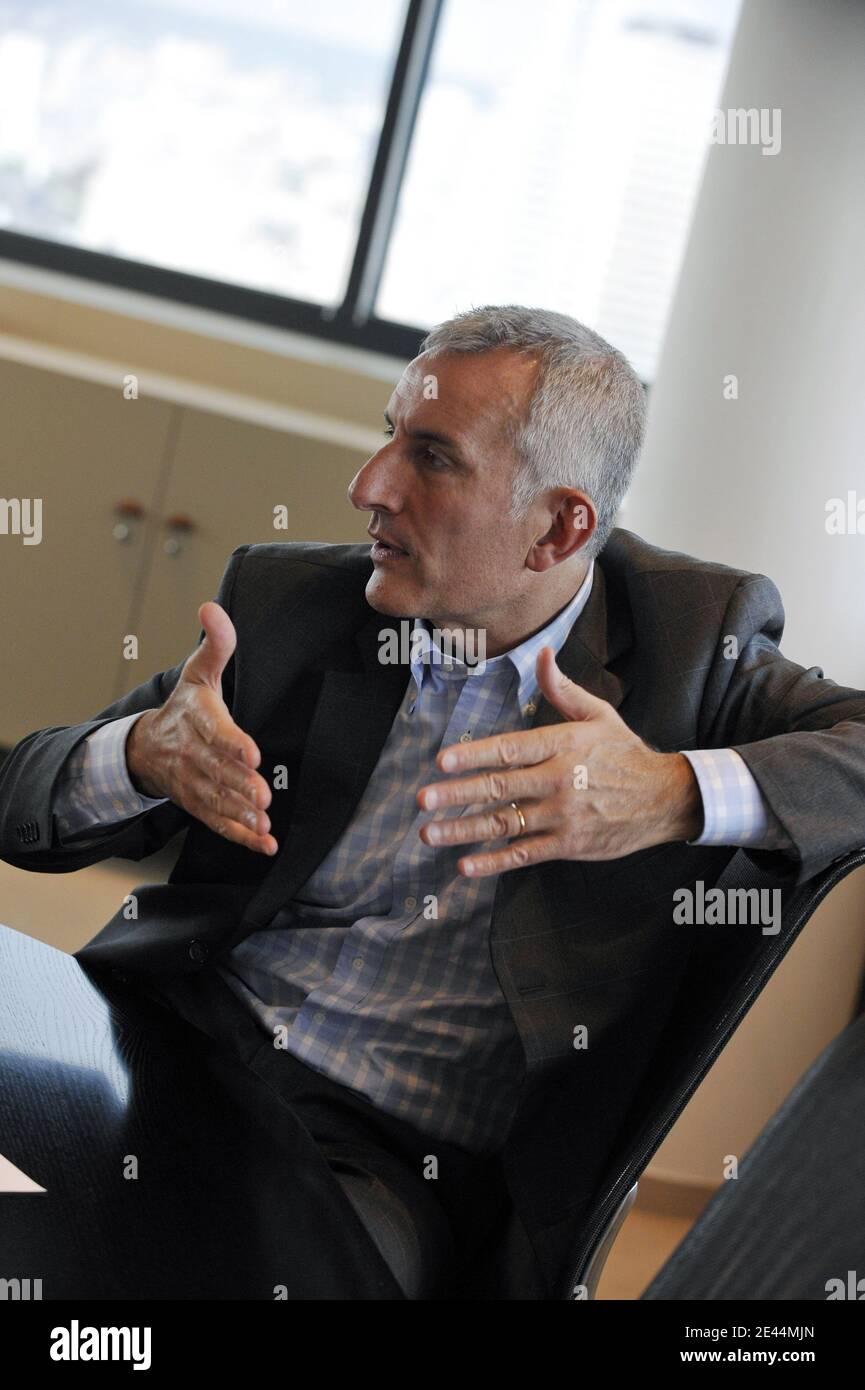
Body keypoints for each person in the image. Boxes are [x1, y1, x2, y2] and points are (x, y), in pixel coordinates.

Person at [2, 305, 864, 1299]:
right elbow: (19, 796)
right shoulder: (295, 605)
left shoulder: (692, 649)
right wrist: (142, 756)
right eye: (384, 437)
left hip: (384, 1160)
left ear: (559, 525)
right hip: (159, 1044)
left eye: (431, 456)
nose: (366, 487)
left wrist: (669, 790)